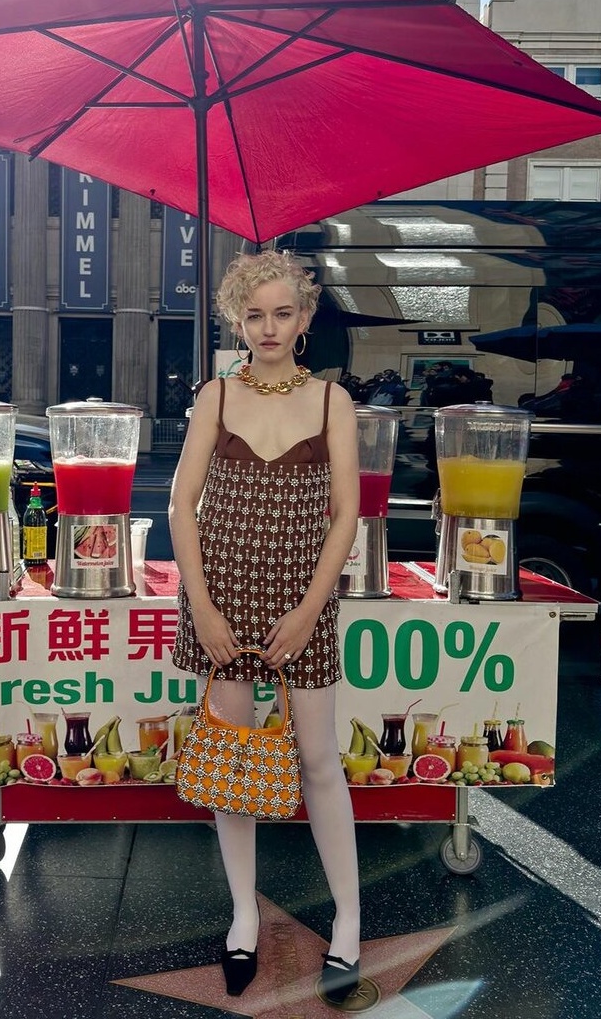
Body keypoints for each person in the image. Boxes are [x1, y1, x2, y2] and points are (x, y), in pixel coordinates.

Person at [169, 250, 362, 1003]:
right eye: (254, 315)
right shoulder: (215, 395)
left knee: (318, 759)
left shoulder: (331, 401)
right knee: (234, 762)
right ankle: (243, 914)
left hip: (301, 604)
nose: (269, 327)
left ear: (305, 317)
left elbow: (345, 514)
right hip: (220, 601)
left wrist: (311, 609)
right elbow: (182, 505)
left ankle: (349, 919)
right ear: (236, 321)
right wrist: (203, 606)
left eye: (283, 312)